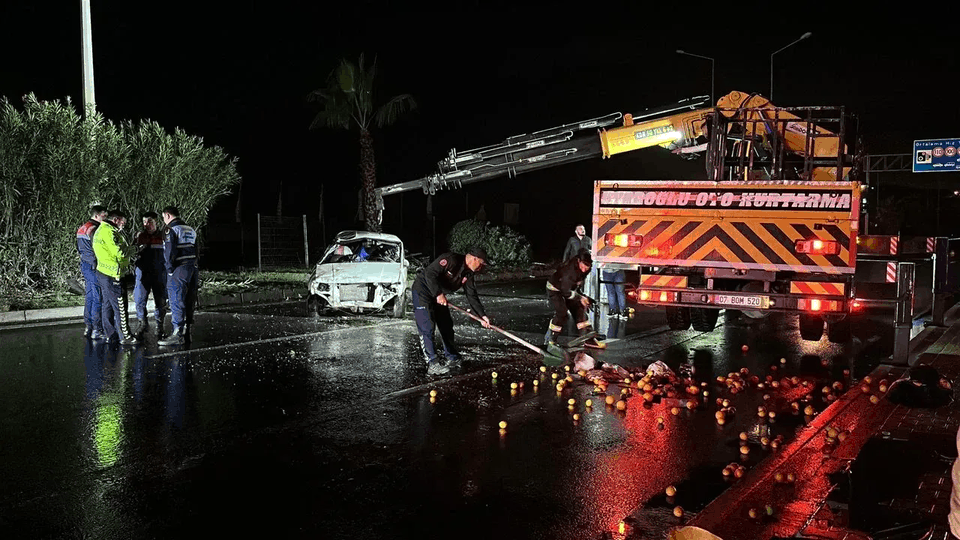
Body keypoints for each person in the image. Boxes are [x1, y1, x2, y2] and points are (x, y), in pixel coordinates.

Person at [411, 246, 492, 375]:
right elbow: (429, 273)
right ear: (475, 259)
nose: (481, 268)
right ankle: (432, 363)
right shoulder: (451, 259)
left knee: (446, 325)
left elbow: (471, 295)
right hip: (423, 292)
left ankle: (452, 357)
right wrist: (438, 294)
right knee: (427, 327)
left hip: (439, 296)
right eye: (481, 264)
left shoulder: (469, 273)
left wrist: (482, 316)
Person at [92, 209, 138, 345]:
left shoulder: (101, 229)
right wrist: (135, 249)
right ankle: (126, 337)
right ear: (116, 220)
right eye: (123, 222)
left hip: (104, 273)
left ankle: (111, 335)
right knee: (120, 306)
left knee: (107, 305)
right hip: (113, 275)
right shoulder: (109, 232)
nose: (124, 225)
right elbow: (120, 253)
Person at [545, 248, 605, 349]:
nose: (585, 268)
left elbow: (575, 285)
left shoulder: (585, 268)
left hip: (568, 289)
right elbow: (565, 291)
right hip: (555, 290)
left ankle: (588, 339)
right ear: (578, 261)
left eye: (588, 265)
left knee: (579, 310)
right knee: (562, 313)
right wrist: (580, 297)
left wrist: (584, 297)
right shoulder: (569, 271)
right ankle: (551, 340)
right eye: (584, 265)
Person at [158, 206, 198, 346]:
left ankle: (177, 333)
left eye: (163, 217)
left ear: (168, 215)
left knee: (176, 298)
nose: (163, 220)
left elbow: (169, 252)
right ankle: (188, 332)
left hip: (179, 268)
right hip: (192, 267)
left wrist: (169, 270)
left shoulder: (170, 229)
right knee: (189, 300)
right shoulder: (190, 229)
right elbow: (196, 249)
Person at [132, 211, 168, 338]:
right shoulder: (139, 235)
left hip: (159, 273)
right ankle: (142, 323)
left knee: (161, 301)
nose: (146, 224)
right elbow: (131, 253)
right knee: (139, 299)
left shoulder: (164, 235)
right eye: (144, 222)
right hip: (143, 273)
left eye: (150, 222)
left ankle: (160, 326)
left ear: (157, 222)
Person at [77, 205, 108, 339]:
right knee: (98, 297)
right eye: (104, 216)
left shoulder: (82, 228)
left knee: (89, 296)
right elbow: (99, 248)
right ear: (97, 215)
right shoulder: (95, 229)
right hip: (94, 265)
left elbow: (78, 248)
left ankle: (88, 327)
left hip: (85, 264)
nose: (105, 219)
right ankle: (97, 329)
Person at [563, 224, 598, 299]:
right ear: (576, 231)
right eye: (580, 229)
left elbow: (593, 251)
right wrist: (564, 263)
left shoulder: (588, 239)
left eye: (584, 229)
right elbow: (567, 252)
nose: (583, 230)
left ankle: (580, 298)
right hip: (574, 265)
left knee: (582, 283)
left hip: (584, 266)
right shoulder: (572, 240)